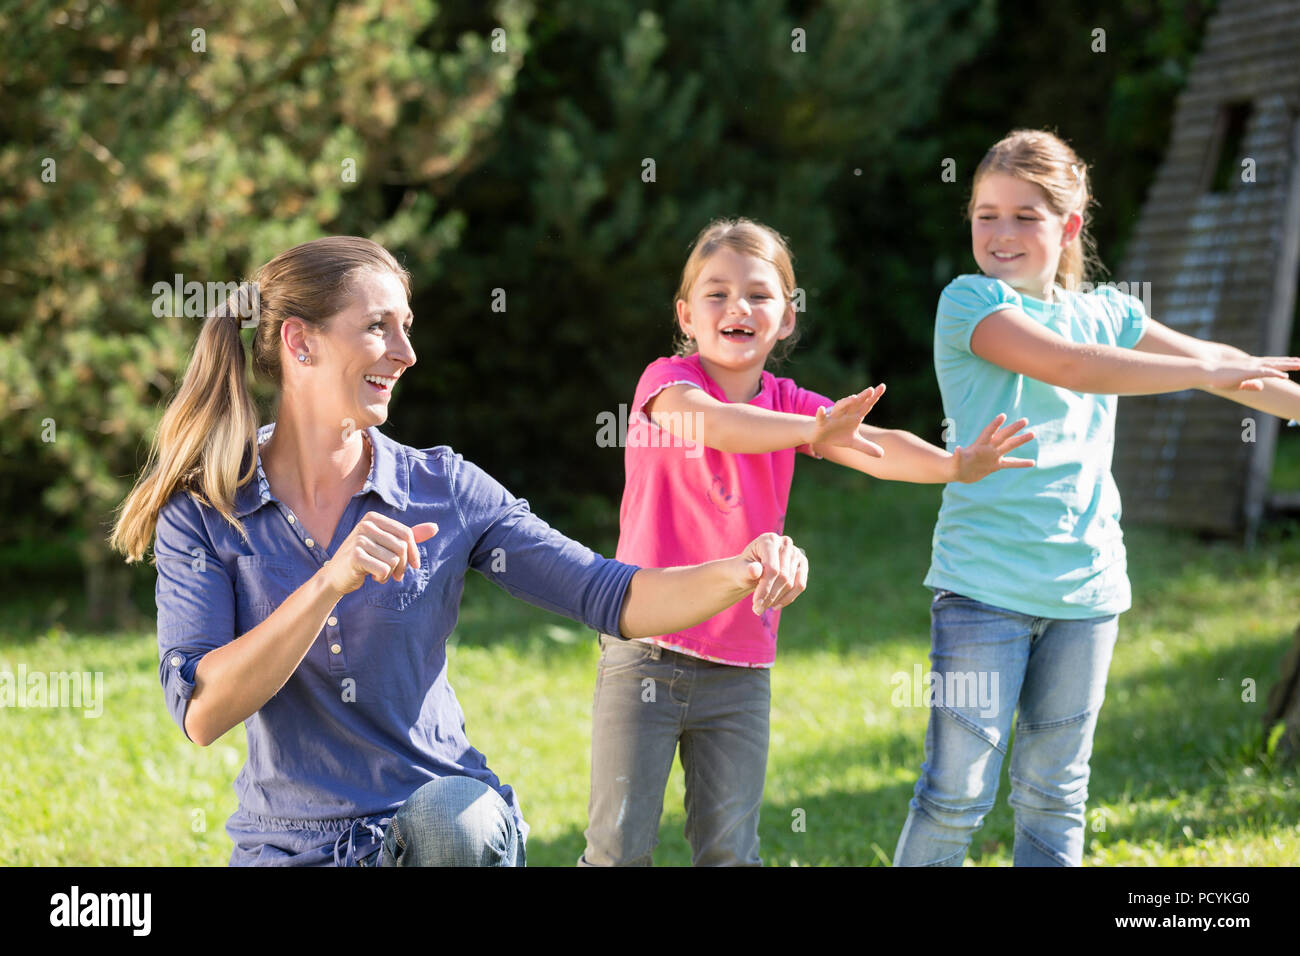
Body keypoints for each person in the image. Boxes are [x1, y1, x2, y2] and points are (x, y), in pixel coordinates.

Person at [110, 235, 810, 867]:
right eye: (378, 328)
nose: (406, 354)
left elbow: (609, 594)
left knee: (452, 824)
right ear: (301, 343)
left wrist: (741, 569)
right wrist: (329, 581)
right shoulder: (205, 513)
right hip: (287, 845)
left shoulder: (442, 490)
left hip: (436, 827)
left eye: (407, 329)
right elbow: (201, 713)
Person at [893, 128, 1300, 867]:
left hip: (1088, 593)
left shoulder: (1110, 311)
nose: (1001, 233)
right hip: (983, 588)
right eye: (987, 214)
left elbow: (1238, 376)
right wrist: (1213, 363)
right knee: (954, 796)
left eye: (1026, 215)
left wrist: (1246, 377)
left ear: (1069, 226)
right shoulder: (970, 303)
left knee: (1057, 793)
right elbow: (1073, 368)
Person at [579, 217, 1035, 866]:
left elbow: (875, 446)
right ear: (686, 315)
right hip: (644, 655)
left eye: (760, 294)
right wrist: (812, 429)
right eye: (717, 293)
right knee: (619, 850)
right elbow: (717, 426)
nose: (738, 306)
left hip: (742, 667)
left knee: (730, 852)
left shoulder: (795, 407)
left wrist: (955, 464)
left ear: (787, 318)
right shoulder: (666, 384)